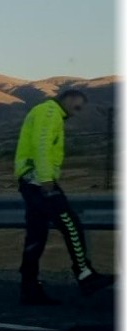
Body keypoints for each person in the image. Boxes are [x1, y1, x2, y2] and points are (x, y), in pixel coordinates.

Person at [14, 89, 114, 305]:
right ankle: (85, 274)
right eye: (76, 106)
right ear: (67, 99)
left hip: (31, 180)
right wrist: (46, 179)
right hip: (38, 180)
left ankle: (29, 288)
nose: (76, 112)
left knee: (36, 237)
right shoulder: (50, 112)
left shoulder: (46, 112)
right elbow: (41, 145)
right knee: (71, 224)